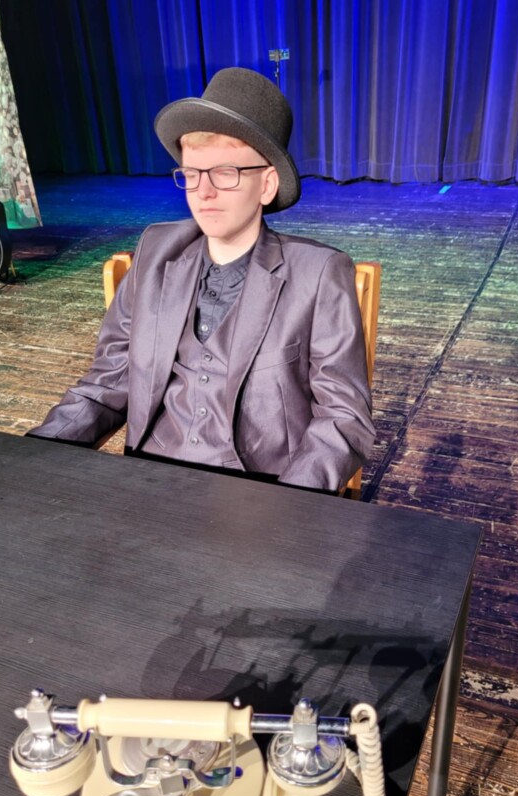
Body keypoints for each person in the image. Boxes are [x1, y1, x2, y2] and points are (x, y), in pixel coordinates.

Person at [28, 67, 374, 492]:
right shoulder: (156, 252)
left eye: (225, 173)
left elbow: (343, 418)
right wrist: (32, 455)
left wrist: (289, 503)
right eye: (192, 174)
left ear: (267, 185)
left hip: (260, 495)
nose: (203, 192)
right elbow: (108, 382)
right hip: (148, 481)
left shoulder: (318, 274)